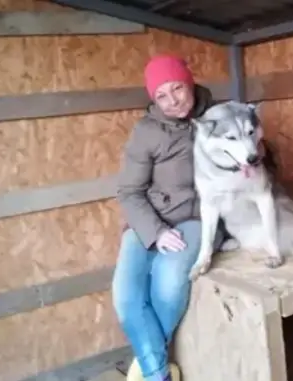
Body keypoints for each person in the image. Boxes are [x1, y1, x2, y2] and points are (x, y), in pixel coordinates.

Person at [112, 54, 269, 381]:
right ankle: (154, 366)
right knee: (126, 296)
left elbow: (253, 151)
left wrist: (255, 150)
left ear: (189, 82)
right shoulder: (147, 131)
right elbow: (129, 191)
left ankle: (150, 370)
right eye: (161, 96)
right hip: (150, 219)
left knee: (168, 286)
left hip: (199, 218)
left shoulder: (220, 116)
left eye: (177, 89)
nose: (172, 102)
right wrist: (155, 232)